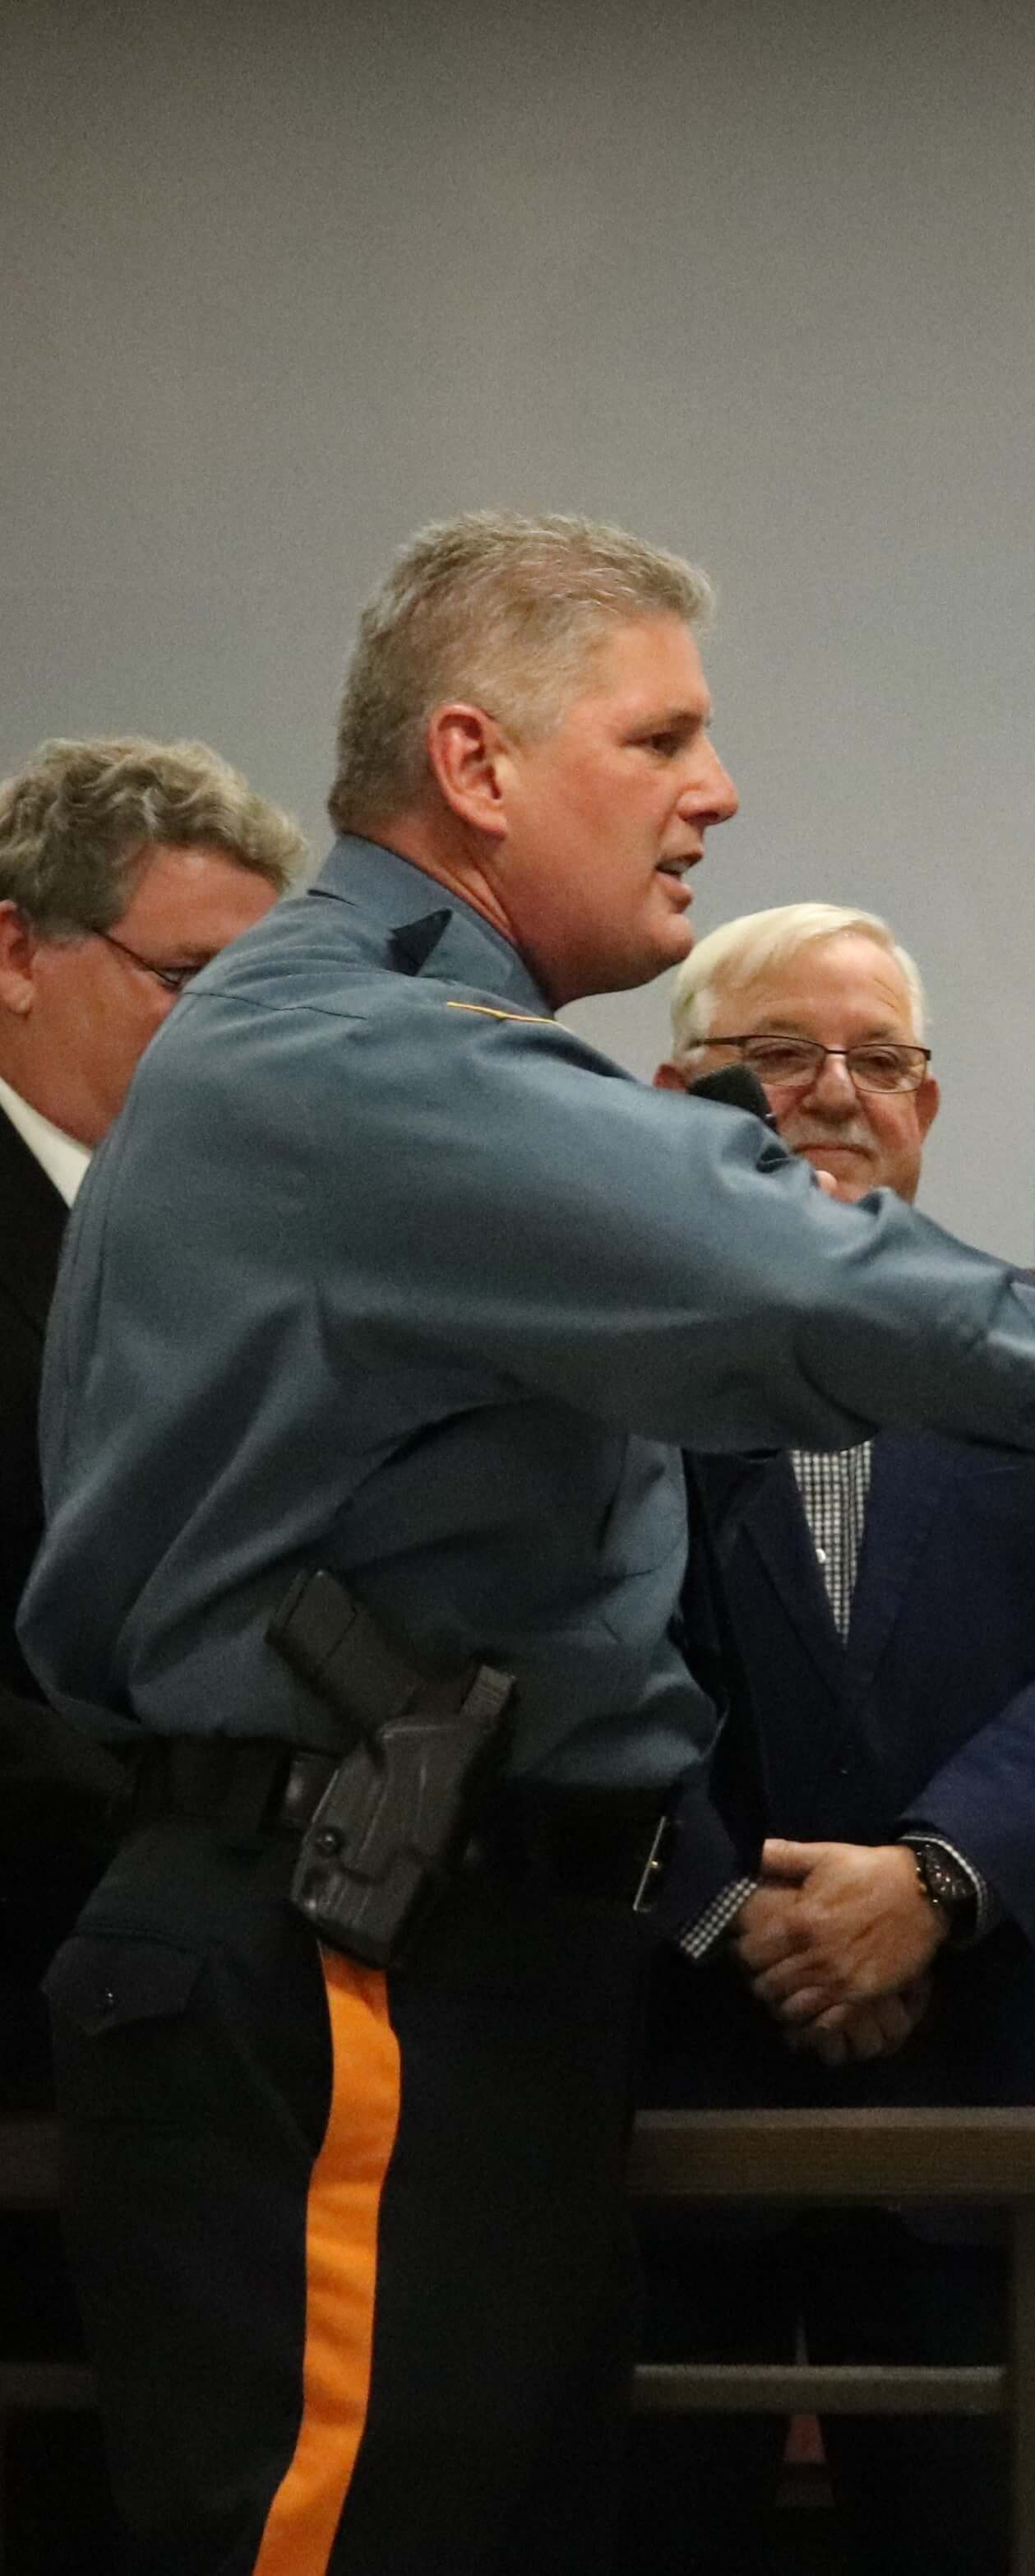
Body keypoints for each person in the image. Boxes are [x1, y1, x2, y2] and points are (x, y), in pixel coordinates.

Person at [18, 512, 1035, 2576]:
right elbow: (779, 1274)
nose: (714, 790)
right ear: (477, 765)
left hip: (459, 1943)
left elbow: (740, 1353)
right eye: (661, 738)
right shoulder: (361, 1054)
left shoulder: (381, 1045)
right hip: (350, 1935)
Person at [618, 900, 1035, 2572]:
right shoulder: (595, 1377)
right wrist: (754, 1920)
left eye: (881, 1060)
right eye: (780, 1055)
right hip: (671, 2071)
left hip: (987, 2077)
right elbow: (564, 1681)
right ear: (679, 1097)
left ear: (930, 1110)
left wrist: (933, 1885)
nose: (834, 1091)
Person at [0, 734, 298, 2573]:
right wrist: (196, 1810)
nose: (224, 1035)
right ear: (16, 952)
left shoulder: (235, 1227)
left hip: (217, 2017)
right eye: (186, 981)